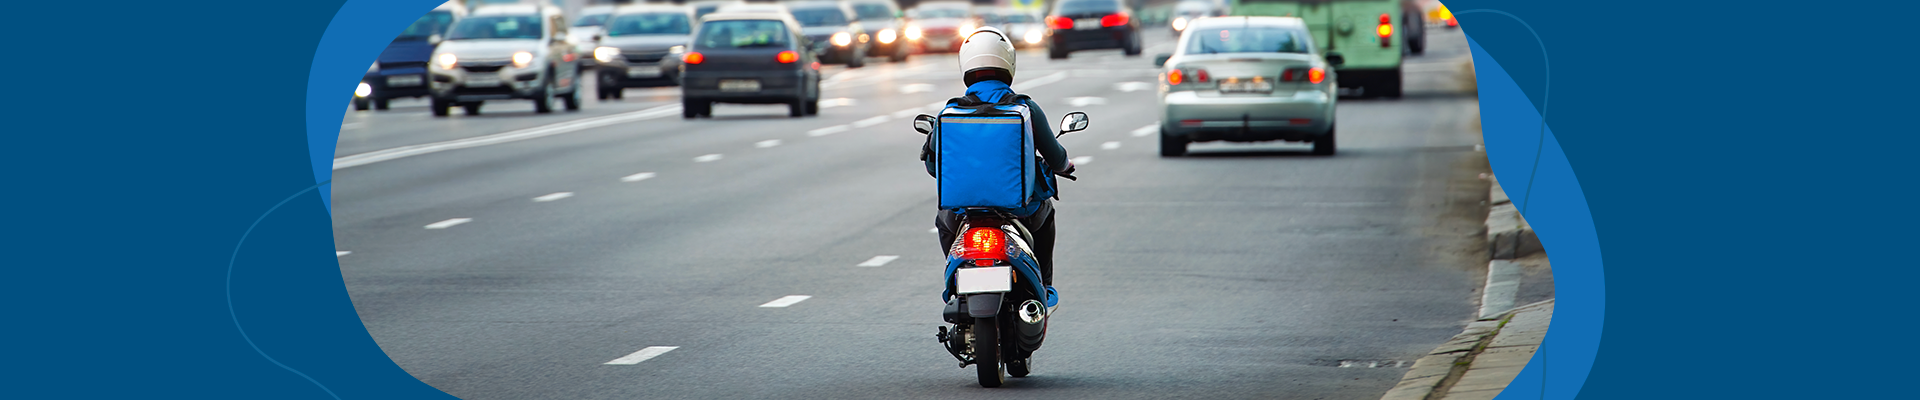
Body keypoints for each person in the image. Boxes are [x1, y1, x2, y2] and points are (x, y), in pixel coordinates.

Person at [922, 27, 1076, 303]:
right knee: (1046, 214)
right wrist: (1064, 166)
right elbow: (1056, 157)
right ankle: (1044, 288)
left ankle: (955, 283)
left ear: (965, 65)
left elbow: (934, 167)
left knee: (943, 222)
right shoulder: (1026, 108)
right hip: (1021, 210)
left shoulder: (950, 111)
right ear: (1009, 64)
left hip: (964, 211)